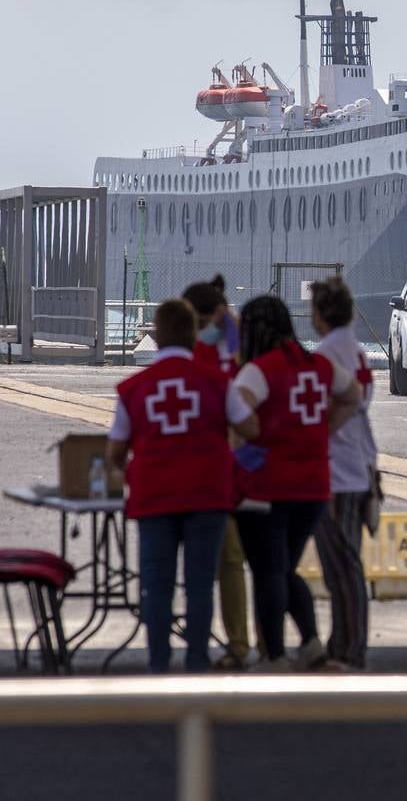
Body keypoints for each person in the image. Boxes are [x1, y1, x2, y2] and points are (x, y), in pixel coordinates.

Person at [107, 299, 244, 673]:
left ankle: (158, 664)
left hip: (154, 497)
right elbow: (249, 427)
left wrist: (124, 470)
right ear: (192, 335)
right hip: (208, 495)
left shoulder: (134, 388)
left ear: (158, 334)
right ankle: (197, 661)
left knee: (157, 583)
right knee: (200, 583)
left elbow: (115, 451)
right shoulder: (219, 384)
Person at [229, 296, 362, 672]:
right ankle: (311, 644)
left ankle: (273, 654)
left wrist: (248, 439)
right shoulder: (319, 364)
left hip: (266, 486)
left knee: (268, 571)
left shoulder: (259, 370)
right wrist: (323, 429)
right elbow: (352, 395)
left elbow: (239, 411)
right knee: (285, 567)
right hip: (313, 486)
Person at [181, 275, 252, 670]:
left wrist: (224, 315)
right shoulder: (213, 349)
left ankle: (223, 644)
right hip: (217, 468)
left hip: (218, 470)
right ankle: (230, 642)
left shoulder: (219, 348)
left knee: (221, 561)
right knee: (225, 561)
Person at [310, 277, 379, 671]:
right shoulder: (356, 351)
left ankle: (350, 650)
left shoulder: (327, 355)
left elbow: (328, 410)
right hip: (360, 465)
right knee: (345, 565)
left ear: (319, 315)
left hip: (337, 469)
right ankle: (343, 643)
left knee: (343, 567)